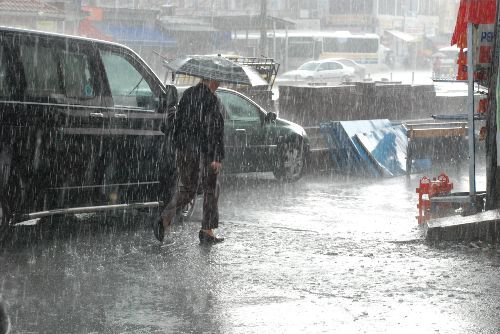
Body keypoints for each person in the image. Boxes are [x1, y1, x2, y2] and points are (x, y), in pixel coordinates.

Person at [154, 77, 225, 244]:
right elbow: (215, 130)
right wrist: (216, 157)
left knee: (187, 189)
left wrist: (181, 147)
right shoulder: (212, 100)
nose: (219, 85)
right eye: (218, 82)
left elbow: (178, 123)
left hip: (184, 150)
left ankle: (164, 219)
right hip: (204, 152)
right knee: (211, 188)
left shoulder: (187, 94)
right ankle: (207, 230)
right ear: (212, 81)